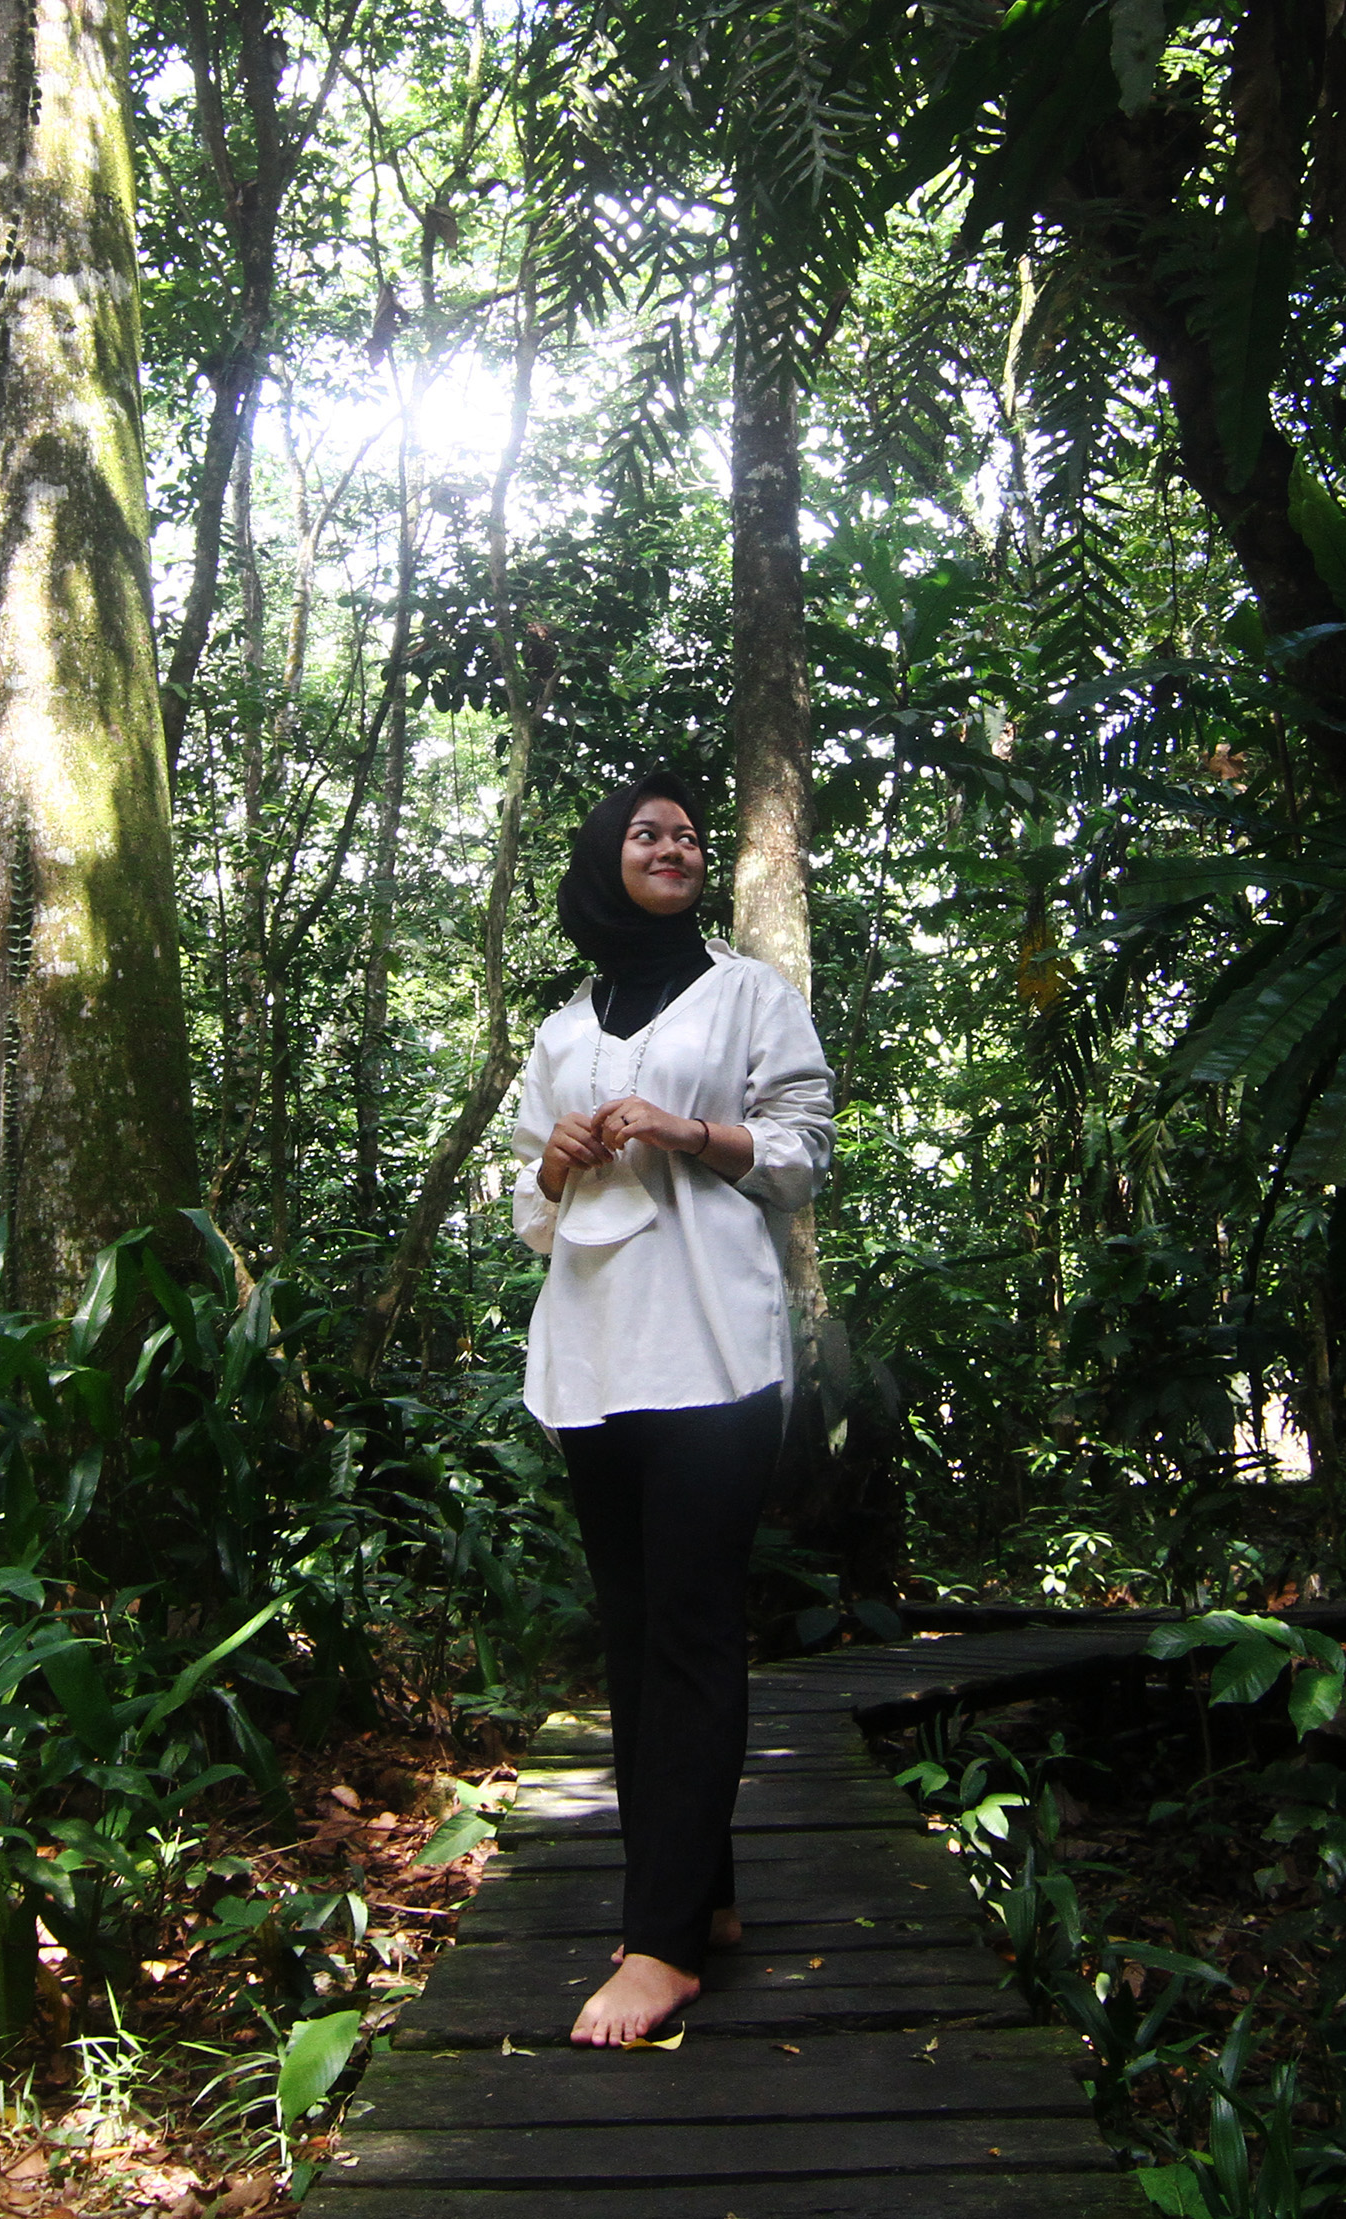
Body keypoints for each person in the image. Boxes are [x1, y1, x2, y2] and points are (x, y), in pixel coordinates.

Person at [508, 772, 835, 2048]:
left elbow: (802, 1151)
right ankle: (702, 1899)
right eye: (648, 833)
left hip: (713, 1353)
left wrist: (689, 1130)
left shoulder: (748, 993)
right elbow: (536, 1216)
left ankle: (659, 1948)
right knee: (637, 1634)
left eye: (689, 835)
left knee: (691, 1632)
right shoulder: (561, 1031)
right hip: (593, 1358)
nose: (675, 846)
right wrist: (559, 1156)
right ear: (604, 860)